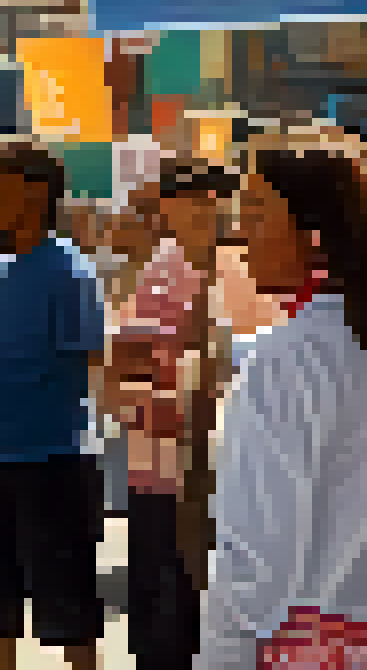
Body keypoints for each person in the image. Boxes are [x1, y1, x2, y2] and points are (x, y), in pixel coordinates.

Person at [198, 142, 367, 669]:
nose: (241, 238)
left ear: (313, 236)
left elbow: (255, 549)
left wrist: (222, 655)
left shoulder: (285, 357)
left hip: (305, 645)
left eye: (257, 214)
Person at [0, 143, 107, 670]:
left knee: (69, 608)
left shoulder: (68, 272)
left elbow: (91, 363)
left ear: (34, 193)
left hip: (50, 461)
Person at [114, 160, 235, 670]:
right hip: (163, 471)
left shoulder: (237, 274)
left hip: (216, 473)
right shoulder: (156, 278)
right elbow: (122, 383)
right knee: (164, 617)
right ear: (170, 210)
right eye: (197, 203)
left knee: (205, 613)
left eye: (215, 203)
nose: (210, 213)